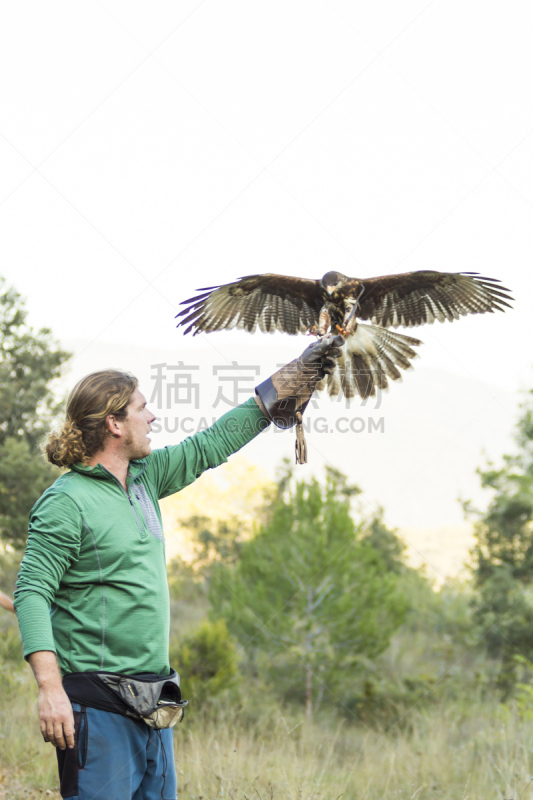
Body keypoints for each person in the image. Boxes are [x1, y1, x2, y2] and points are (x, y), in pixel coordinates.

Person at [14, 335, 343, 800]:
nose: (152, 417)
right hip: (98, 706)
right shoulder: (66, 502)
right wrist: (50, 689)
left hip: (156, 703)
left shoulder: (145, 478)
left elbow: (210, 445)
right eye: (141, 409)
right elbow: (31, 593)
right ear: (114, 424)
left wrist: (281, 387)